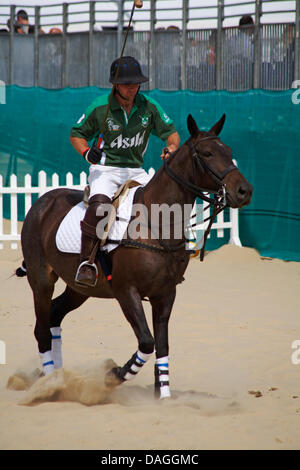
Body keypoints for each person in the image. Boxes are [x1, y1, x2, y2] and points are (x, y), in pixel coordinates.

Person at [70, 56, 180, 287]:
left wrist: (171, 147)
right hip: (106, 170)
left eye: (136, 83)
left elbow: (171, 133)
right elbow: (76, 135)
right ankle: (87, 262)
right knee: (100, 206)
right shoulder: (100, 107)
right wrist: (87, 153)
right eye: (128, 84)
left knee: (161, 203)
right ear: (115, 84)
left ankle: (172, 257)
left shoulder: (149, 106)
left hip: (135, 170)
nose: (133, 88)